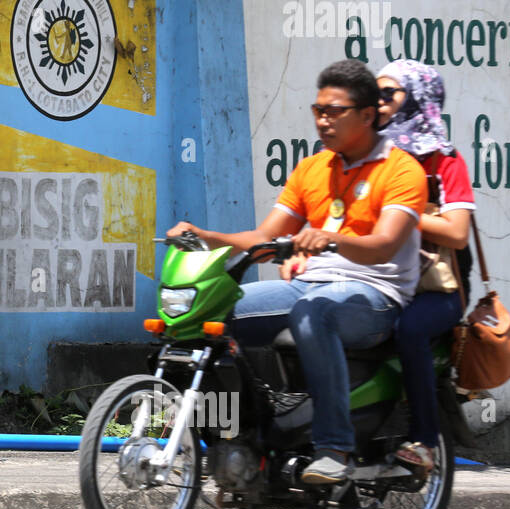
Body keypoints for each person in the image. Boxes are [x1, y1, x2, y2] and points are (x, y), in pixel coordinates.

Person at [169, 59, 427, 483]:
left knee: (314, 313)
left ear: (366, 115)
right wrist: (205, 235)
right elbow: (266, 237)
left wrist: (330, 239)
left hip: (376, 295)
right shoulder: (312, 169)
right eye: (318, 110)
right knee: (213, 311)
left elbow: (384, 246)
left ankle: (334, 448)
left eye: (335, 111)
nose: (323, 120)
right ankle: (238, 435)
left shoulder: (401, 170)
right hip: (311, 285)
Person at [374, 60, 474, 472]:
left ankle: (425, 441)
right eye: (374, 93)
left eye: (388, 94)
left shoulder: (444, 161)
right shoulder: (371, 152)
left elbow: (457, 233)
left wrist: (403, 212)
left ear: (417, 98)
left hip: (438, 289)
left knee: (409, 329)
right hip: (380, 277)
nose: (377, 103)